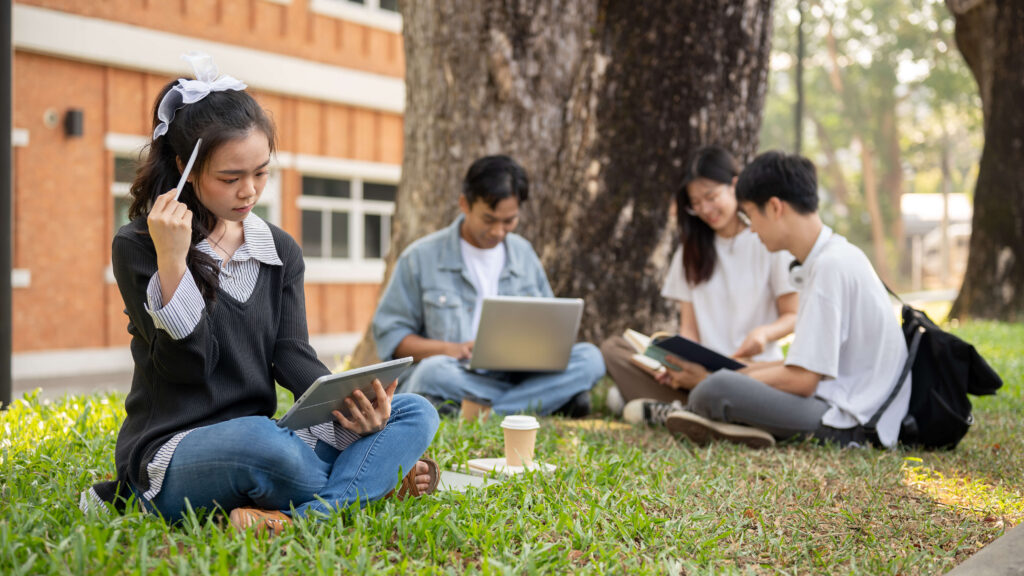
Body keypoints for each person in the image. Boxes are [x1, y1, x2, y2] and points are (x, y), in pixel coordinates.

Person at [80, 53, 439, 535]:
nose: (249, 192)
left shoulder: (279, 250)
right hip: (176, 452)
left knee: (414, 410)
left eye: (261, 172)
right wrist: (173, 260)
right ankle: (372, 481)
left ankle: (306, 515)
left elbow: (291, 356)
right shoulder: (140, 245)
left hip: (273, 438)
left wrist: (352, 404)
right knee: (263, 442)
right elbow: (187, 367)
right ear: (186, 168)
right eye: (230, 178)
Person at [630, 151, 911, 448]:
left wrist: (712, 379)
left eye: (751, 215)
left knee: (714, 390)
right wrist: (730, 372)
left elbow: (802, 381)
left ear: (775, 207)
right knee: (721, 382)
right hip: (847, 404)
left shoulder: (830, 267)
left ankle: (708, 414)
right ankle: (730, 422)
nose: (751, 227)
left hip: (853, 422)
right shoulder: (832, 257)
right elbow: (801, 367)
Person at [371, 155, 605, 418]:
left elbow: (549, 328)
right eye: (489, 219)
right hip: (458, 374)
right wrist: (451, 349)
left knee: (591, 358)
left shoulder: (524, 253)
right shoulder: (420, 258)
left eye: (509, 221)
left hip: (519, 377)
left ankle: (485, 412)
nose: (498, 231)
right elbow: (392, 339)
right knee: (430, 373)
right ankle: (542, 402)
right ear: (464, 204)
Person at [602, 146, 798, 423]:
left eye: (711, 196)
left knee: (723, 386)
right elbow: (689, 330)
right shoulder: (690, 251)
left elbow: (793, 315)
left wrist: (764, 334)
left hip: (750, 370)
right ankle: (693, 409)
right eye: (696, 202)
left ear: (734, 185)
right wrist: (675, 364)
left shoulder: (767, 241)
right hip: (699, 372)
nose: (705, 209)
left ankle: (682, 409)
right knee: (614, 349)